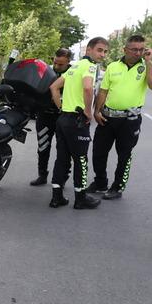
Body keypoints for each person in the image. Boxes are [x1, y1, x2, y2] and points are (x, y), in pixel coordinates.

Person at [86, 34, 152, 199]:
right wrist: (97, 111)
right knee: (98, 152)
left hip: (130, 120)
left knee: (124, 154)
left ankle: (117, 187)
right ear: (125, 49)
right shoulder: (113, 66)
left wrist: (148, 62)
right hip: (107, 117)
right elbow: (104, 91)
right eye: (134, 49)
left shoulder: (149, 65)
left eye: (142, 49)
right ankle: (100, 182)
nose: (138, 53)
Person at [47, 37, 109, 209]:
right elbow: (88, 87)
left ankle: (56, 197)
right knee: (81, 160)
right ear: (88, 50)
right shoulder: (89, 66)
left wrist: (62, 107)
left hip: (63, 119)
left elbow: (53, 87)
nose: (102, 54)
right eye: (99, 50)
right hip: (77, 120)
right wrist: (88, 111)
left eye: (105, 51)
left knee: (62, 159)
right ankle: (81, 198)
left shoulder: (74, 66)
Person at [30, 48, 73, 186]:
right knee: (43, 147)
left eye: (61, 64)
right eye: (55, 62)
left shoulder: (74, 73)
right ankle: (42, 175)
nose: (56, 66)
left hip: (64, 117)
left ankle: (63, 178)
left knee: (64, 150)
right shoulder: (47, 72)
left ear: (68, 62)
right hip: (45, 116)